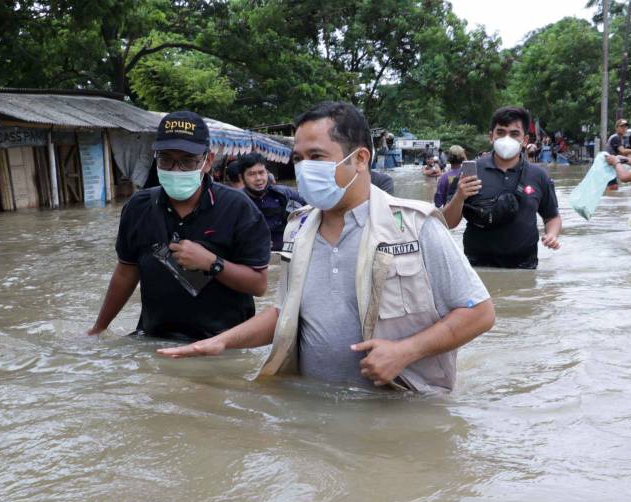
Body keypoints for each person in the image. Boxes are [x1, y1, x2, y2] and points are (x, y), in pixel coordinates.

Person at [159, 101, 495, 394]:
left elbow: (479, 312)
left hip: (400, 408)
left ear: (360, 158)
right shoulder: (298, 228)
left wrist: (406, 351)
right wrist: (222, 341)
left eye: (316, 156)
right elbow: (285, 315)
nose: (304, 169)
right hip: (312, 413)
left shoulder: (414, 227)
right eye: (299, 158)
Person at [88, 111, 272, 340]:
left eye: (187, 161)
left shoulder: (237, 208)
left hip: (221, 342)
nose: (175, 170)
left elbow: (259, 284)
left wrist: (212, 263)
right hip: (154, 339)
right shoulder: (139, 207)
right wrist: (98, 329)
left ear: (208, 161)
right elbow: (126, 272)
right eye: (166, 159)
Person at [442, 106, 562, 269]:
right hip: (477, 268)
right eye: (500, 132)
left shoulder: (539, 176)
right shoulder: (470, 172)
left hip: (524, 268)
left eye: (514, 134)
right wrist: (460, 197)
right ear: (491, 136)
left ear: (525, 140)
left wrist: (552, 235)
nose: (507, 138)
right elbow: (448, 223)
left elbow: (552, 216)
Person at [239, 152, 306, 251]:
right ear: (242, 177)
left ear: (267, 173)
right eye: (252, 174)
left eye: (261, 172)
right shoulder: (236, 201)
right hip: (253, 259)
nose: (258, 178)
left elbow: (311, 212)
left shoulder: (286, 194)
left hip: (289, 255)